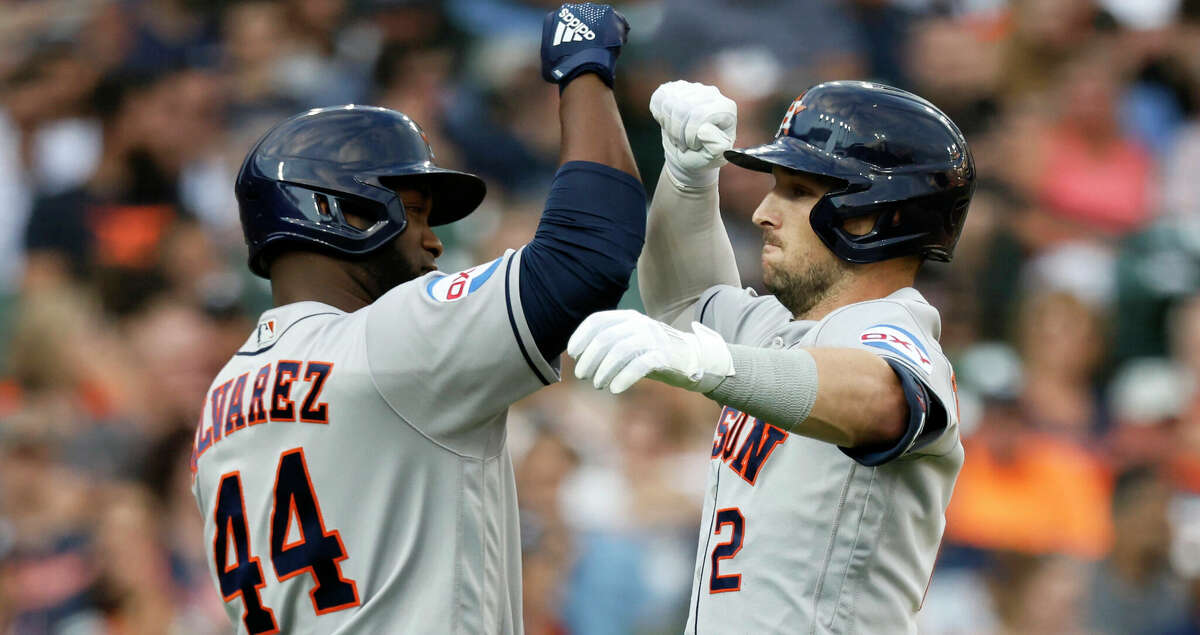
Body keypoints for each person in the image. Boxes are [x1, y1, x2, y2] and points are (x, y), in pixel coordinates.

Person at [189, 4, 644, 633]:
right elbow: (588, 250)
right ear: (343, 213)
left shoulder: (218, 402)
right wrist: (582, 65)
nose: (432, 245)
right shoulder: (385, 341)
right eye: (415, 214)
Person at [568, 80, 975, 633]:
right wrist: (688, 178)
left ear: (876, 215)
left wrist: (713, 364)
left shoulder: (897, 328)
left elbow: (882, 398)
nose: (763, 211)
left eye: (799, 191)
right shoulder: (783, 334)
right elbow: (684, 302)